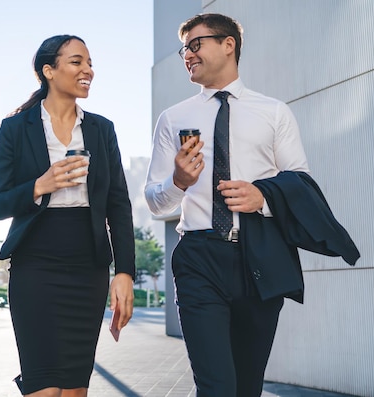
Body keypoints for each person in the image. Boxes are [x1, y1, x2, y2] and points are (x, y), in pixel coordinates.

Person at [144, 13, 359, 397]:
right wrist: (179, 181)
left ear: (229, 44)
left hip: (261, 254)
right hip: (198, 256)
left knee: (246, 386)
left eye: (196, 45)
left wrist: (263, 197)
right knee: (216, 386)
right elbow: (155, 203)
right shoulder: (173, 118)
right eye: (183, 50)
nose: (187, 56)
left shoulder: (274, 112)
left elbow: (301, 182)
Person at [0, 34, 135, 397]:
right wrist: (40, 185)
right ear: (48, 70)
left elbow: (118, 204)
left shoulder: (102, 129)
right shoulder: (15, 129)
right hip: (35, 264)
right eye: (77, 61)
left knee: (73, 390)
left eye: (89, 63)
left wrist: (125, 273)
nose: (88, 70)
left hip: (88, 267)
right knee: (44, 388)